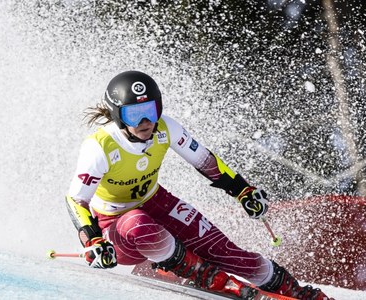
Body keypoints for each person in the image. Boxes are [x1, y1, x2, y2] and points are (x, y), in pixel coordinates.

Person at [65, 70, 330, 300]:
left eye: (150, 111)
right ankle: (209, 278)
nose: (145, 122)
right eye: (134, 115)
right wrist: (93, 240)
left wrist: (243, 191)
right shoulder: (100, 146)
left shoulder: (165, 128)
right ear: (118, 116)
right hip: (116, 225)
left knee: (226, 251)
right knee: (139, 224)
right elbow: (76, 199)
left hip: (157, 202)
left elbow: (206, 161)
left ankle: (297, 292)